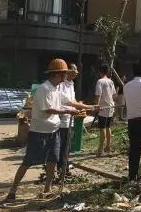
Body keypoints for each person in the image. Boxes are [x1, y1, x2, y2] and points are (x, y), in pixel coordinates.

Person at [6, 59, 97, 201]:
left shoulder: (56, 88)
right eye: (64, 74)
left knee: (53, 160)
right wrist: (68, 111)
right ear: (56, 74)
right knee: (28, 162)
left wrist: (90, 107)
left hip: (54, 131)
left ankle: (47, 189)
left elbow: (69, 102)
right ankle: (13, 190)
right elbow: (49, 109)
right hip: (39, 132)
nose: (66, 77)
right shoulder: (44, 89)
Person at [57, 63, 79, 175]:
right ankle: (60, 166)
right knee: (62, 144)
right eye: (74, 71)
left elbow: (72, 99)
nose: (76, 73)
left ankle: (65, 164)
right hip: (62, 119)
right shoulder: (61, 84)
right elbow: (65, 101)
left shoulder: (71, 84)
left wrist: (77, 105)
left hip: (71, 118)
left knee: (68, 144)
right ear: (68, 71)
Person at [95, 64, 117, 157]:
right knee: (108, 127)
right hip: (110, 107)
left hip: (103, 108)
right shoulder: (111, 81)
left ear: (100, 71)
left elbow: (98, 95)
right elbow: (114, 95)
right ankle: (108, 146)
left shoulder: (100, 81)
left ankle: (100, 149)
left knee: (102, 128)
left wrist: (96, 105)